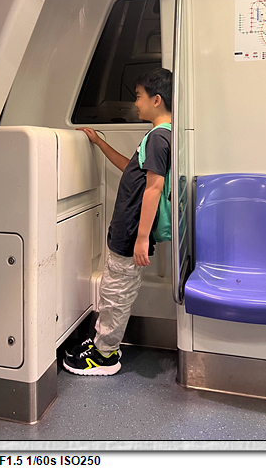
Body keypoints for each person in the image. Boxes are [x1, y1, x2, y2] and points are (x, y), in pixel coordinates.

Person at [63, 68, 172, 376]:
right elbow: (131, 170)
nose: (135, 103)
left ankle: (104, 355)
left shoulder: (158, 138)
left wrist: (141, 238)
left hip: (130, 232)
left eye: (139, 97)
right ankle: (104, 342)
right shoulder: (161, 136)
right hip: (129, 231)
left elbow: (154, 188)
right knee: (116, 289)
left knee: (116, 293)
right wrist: (100, 143)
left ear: (156, 100)